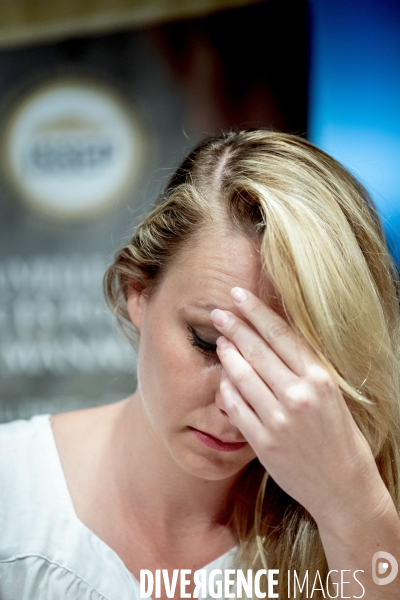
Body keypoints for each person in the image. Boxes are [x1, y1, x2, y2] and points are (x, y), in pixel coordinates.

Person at [0, 130, 399, 600]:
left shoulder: (367, 520)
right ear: (138, 292)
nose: (236, 403)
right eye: (208, 343)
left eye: (283, 364)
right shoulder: (13, 495)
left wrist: (352, 507)